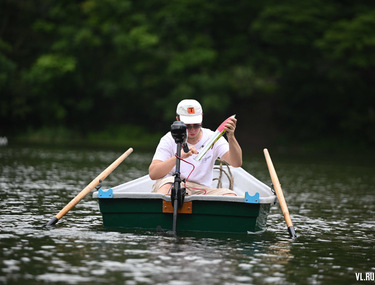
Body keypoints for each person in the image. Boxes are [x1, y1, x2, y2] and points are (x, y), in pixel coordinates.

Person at [149, 99, 242, 196]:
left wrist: (231, 137)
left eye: (197, 125)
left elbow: (236, 163)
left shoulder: (213, 137)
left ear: (201, 118)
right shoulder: (168, 139)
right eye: (187, 126)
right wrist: (179, 156)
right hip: (174, 183)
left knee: (230, 196)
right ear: (178, 120)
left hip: (202, 189)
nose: (192, 130)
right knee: (167, 187)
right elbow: (153, 173)